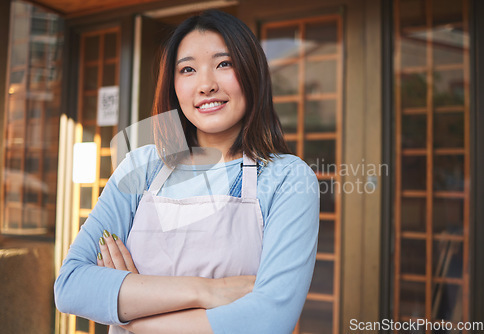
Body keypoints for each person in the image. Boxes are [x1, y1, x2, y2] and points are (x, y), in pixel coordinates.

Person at [54, 9, 320, 334]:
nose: (206, 85)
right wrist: (208, 291)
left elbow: (269, 320)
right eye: (188, 69)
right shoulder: (142, 167)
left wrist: (132, 310)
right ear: (173, 84)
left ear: (252, 72)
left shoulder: (287, 179)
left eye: (224, 64)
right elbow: (70, 286)